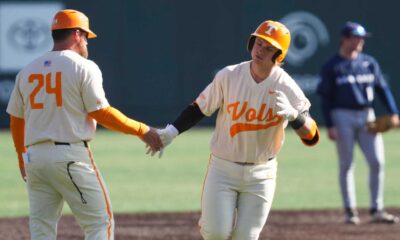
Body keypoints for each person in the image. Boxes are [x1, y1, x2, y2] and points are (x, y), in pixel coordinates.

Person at [151, 20, 319, 240]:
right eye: (259, 43)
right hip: (223, 169)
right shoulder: (229, 75)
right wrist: (171, 132)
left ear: (279, 56)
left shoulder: (286, 86)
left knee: (246, 238)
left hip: (262, 174)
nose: (260, 50)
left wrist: (295, 117)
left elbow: (312, 137)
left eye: (269, 48)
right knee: (216, 234)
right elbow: (199, 108)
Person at [7, 9, 163, 239]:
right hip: (69, 156)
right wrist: (143, 130)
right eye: (87, 37)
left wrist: (22, 156)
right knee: (100, 223)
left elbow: (17, 118)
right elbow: (101, 113)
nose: (87, 43)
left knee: (41, 229)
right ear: (77, 34)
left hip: (35, 159)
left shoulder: (27, 70)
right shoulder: (83, 66)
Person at [317, 21, 399, 225]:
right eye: (355, 37)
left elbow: (382, 89)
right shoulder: (332, 66)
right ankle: (350, 211)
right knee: (347, 164)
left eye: (361, 38)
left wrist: (393, 112)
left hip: (367, 115)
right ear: (344, 39)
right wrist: (330, 124)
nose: (360, 41)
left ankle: (377, 209)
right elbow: (325, 98)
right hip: (341, 115)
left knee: (377, 162)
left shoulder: (369, 62)